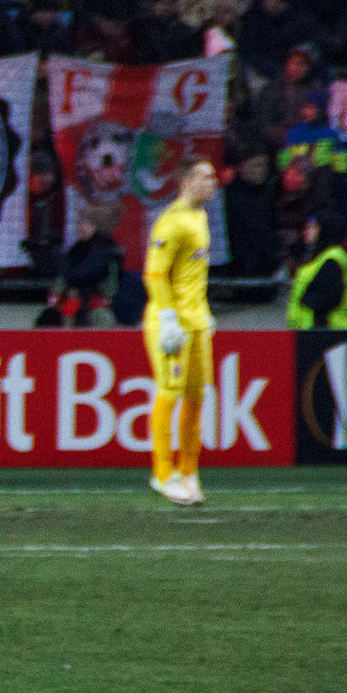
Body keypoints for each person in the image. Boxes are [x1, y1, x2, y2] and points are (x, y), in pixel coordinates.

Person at [143, 156, 219, 507]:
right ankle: (162, 474)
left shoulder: (200, 217)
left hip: (197, 322)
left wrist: (204, 314)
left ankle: (188, 471)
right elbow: (155, 274)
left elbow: (192, 275)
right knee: (169, 393)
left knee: (196, 396)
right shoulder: (171, 222)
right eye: (206, 177)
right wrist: (168, 319)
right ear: (187, 182)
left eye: (213, 177)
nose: (213, 182)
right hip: (171, 325)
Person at [287, 211, 347, 329]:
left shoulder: (332, 259)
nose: (306, 232)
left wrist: (306, 299)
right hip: (310, 329)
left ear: (324, 229)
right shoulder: (319, 257)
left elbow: (329, 298)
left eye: (313, 227)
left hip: (326, 330)